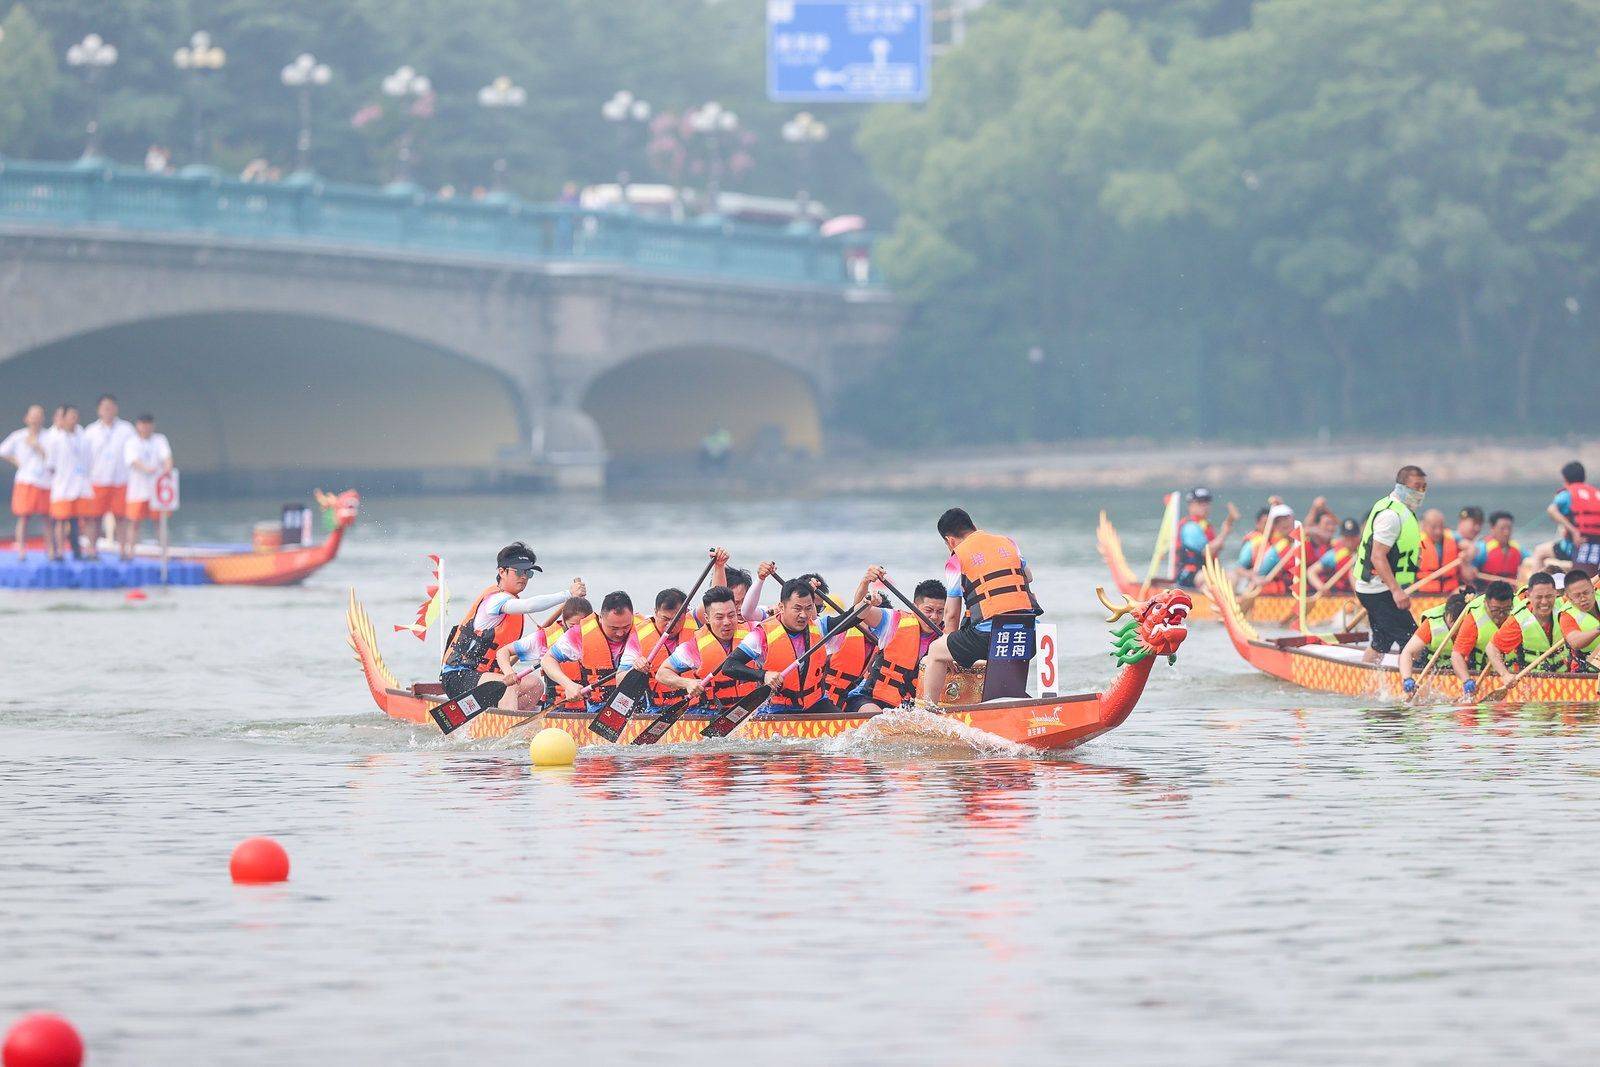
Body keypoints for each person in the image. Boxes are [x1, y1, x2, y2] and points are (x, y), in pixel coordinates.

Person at [919, 508, 1042, 703]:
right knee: (983, 646)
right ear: (974, 527)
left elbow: (951, 615)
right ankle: (1002, 701)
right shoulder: (1008, 543)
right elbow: (1029, 576)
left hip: (989, 638)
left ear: (950, 541)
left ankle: (928, 711)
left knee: (935, 651)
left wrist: (949, 651)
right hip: (1030, 634)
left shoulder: (956, 558)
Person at [438, 543, 581, 701]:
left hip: (486, 677)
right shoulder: (495, 600)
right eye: (518, 571)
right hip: (458, 676)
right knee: (510, 686)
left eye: (528, 573)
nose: (524, 577)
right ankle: (507, 724)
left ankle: (513, 721)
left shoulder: (512, 603)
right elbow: (530, 605)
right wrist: (568, 594)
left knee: (536, 685)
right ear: (502, 572)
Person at [721, 578, 835, 713]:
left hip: (815, 703)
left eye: (808, 608)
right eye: (797, 608)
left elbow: (850, 618)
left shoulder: (817, 626)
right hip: (778, 706)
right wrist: (763, 675)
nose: (804, 615)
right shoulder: (761, 635)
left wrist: (864, 599)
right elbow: (729, 666)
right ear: (782, 607)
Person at [843, 574, 946, 714]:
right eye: (928, 611)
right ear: (915, 607)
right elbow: (859, 612)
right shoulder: (894, 621)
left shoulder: (945, 637)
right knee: (878, 718)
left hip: (906, 707)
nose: (934, 617)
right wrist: (865, 584)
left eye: (940, 612)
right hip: (869, 699)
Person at [1354, 466, 1427, 662]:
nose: (1420, 492)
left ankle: (1365, 681)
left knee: (1381, 641)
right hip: (1379, 591)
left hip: (1377, 589)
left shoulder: (1403, 510)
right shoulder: (1391, 515)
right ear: (1401, 486)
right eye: (1416, 487)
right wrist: (1396, 591)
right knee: (1414, 642)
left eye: (1424, 487)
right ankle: (1417, 686)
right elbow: (1377, 557)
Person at [656, 586, 759, 710]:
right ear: (707, 618)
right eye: (719, 617)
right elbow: (661, 673)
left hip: (751, 709)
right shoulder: (694, 647)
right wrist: (687, 683)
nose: (727, 622)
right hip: (711, 713)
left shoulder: (755, 632)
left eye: (731, 615)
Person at [541, 591, 642, 713]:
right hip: (598, 708)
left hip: (639, 706)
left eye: (626, 627)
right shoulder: (580, 634)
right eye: (613, 628)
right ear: (600, 618)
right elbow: (547, 660)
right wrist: (568, 685)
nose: (620, 633)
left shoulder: (644, 628)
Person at [1, 404, 53, 561]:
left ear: (43, 419)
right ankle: (21, 550)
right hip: (25, 481)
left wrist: (38, 447)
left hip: (44, 482)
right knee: (23, 517)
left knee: (47, 518)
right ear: (27, 418)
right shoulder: (18, 436)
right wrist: (16, 461)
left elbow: (53, 457)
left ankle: (50, 549)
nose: (36, 419)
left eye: (39, 416)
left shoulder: (50, 436)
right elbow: (2, 451)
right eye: (33, 416)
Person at [1487, 572, 1560, 682]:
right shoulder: (1519, 620)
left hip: (1566, 678)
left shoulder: (1564, 608)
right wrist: (1505, 675)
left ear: (1556, 593)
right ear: (1529, 595)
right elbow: (1491, 648)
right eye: (1539, 597)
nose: (1544, 602)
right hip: (1532, 682)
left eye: (1549, 596)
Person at [83, 394, 134, 551]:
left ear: (116, 409)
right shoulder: (90, 431)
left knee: (122, 518)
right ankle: (92, 549)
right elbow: (84, 457)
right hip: (97, 480)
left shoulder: (127, 429)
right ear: (99, 410)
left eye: (111, 407)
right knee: (94, 518)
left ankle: (124, 550)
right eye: (105, 408)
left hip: (121, 480)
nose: (108, 411)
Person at [634, 587, 698, 709]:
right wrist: (635, 666)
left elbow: (717, 602)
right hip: (656, 707)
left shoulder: (696, 624)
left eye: (676, 619)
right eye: (665, 619)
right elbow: (620, 678)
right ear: (655, 612)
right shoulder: (637, 636)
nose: (670, 624)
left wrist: (719, 569)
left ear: (685, 614)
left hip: (694, 707)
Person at [45, 405, 96, 561]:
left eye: (76, 416)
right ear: (63, 418)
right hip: (63, 485)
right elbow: (50, 465)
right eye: (70, 416)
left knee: (87, 519)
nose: (74, 419)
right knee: (60, 520)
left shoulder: (84, 437)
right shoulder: (55, 439)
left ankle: (90, 550)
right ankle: (59, 552)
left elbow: (89, 460)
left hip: (82, 485)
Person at [1450, 581, 1517, 698]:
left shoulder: (1518, 613)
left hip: (1515, 677)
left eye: (1506, 609)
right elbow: (1457, 655)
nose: (1501, 615)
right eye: (1496, 610)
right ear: (1486, 603)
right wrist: (1466, 680)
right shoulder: (1474, 619)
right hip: (1481, 677)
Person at [121, 414, 173, 560]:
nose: (146, 428)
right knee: (134, 522)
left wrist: (167, 468)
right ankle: (130, 552)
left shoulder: (159, 440)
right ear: (138, 426)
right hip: (138, 490)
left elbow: (167, 457)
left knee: (160, 522)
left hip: (156, 490)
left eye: (148, 424)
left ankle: (165, 553)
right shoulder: (132, 442)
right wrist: (148, 469)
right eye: (143, 424)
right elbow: (133, 460)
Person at [1399, 591, 1468, 694]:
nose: (1456, 627)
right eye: (1453, 621)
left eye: (1461, 623)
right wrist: (1407, 678)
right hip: (1430, 664)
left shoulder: (1472, 621)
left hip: (1462, 666)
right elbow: (1407, 652)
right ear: (1446, 613)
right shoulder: (1431, 624)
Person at [1536, 461, 1600, 572]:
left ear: (1565, 479)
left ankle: (1533, 588)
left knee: (1539, 552)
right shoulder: (1596, 494)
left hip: (1575, 546)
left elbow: (1551, 510)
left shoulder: (1566, 494)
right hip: (1596, 547)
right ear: (1584, 477)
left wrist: (1574, 531)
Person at [1173, 487, 1236, 588]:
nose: (1204, 506)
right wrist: (1224, 533)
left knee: (1232, 577)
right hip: (1189, 574)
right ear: (1191, 505)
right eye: (1200, 503)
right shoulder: (1190, 526)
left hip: (1204, 571)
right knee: (1210, 579)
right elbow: (1206, 551)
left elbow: (1216, 548)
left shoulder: (1205, 525)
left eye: (1206, 503)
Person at [1248, 504, 1300, 594]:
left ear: (1293, 519)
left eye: (1286, 518)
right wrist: (1257, 580)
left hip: (1310, 590)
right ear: (1274, 527)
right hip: (1287, 594)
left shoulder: (1305, 539)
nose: (1283, 523)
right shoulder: (1277, 550)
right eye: (1278, 521)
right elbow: (1259, 574)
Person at [1556, 569, 1600, 673]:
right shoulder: (1566, 615)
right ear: (1568, 597)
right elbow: (1575, 642)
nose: (1583, 598)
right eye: (1577, 596)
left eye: (1586, 593)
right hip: (1586, 672)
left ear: (1593, 589)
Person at [1412, 508, 1462, 593]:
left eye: (1441, 526)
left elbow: (1468, 545)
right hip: (1424, 595)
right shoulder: (1415, 543)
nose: (1438, 531)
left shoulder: (1453, 538)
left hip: (1450, 594)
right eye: (1433, 527)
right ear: (1424, 526)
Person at [1309, 519, 1361, 593]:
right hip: (1341, 595)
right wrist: (1321, 587)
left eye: (1353, 537)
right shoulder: (1334, 554)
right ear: (1341, 537)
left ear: (1359, 536)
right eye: (1347, 537)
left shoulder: (1365, 552)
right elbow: (1311, 572)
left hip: (1361, 594)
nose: (1350, 541)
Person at [1473, 511, 1522, 580]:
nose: (1506, 533)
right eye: (1502, 529)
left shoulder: (1518, 548)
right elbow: (1471, 569)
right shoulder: (1482, 548)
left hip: (1511, 589)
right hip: (1487, 589)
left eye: (1509, 528)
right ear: (1492, 528)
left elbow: (1530, 561)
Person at [1231, 507, 1271, 587]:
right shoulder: (1252, 543)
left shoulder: (1281, 540)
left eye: (1272, 523)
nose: (1270, 527)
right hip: (1256, 580)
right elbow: (1239, 569)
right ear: (1258, 524)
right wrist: (1251, 575)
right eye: (1266, 523)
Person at [1453, 506, 1483, 588]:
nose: (1477, 528)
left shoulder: (1479, 547)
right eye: (1474, 523)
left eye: (1480, 524)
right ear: (1462, 521)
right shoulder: (1448, 538)